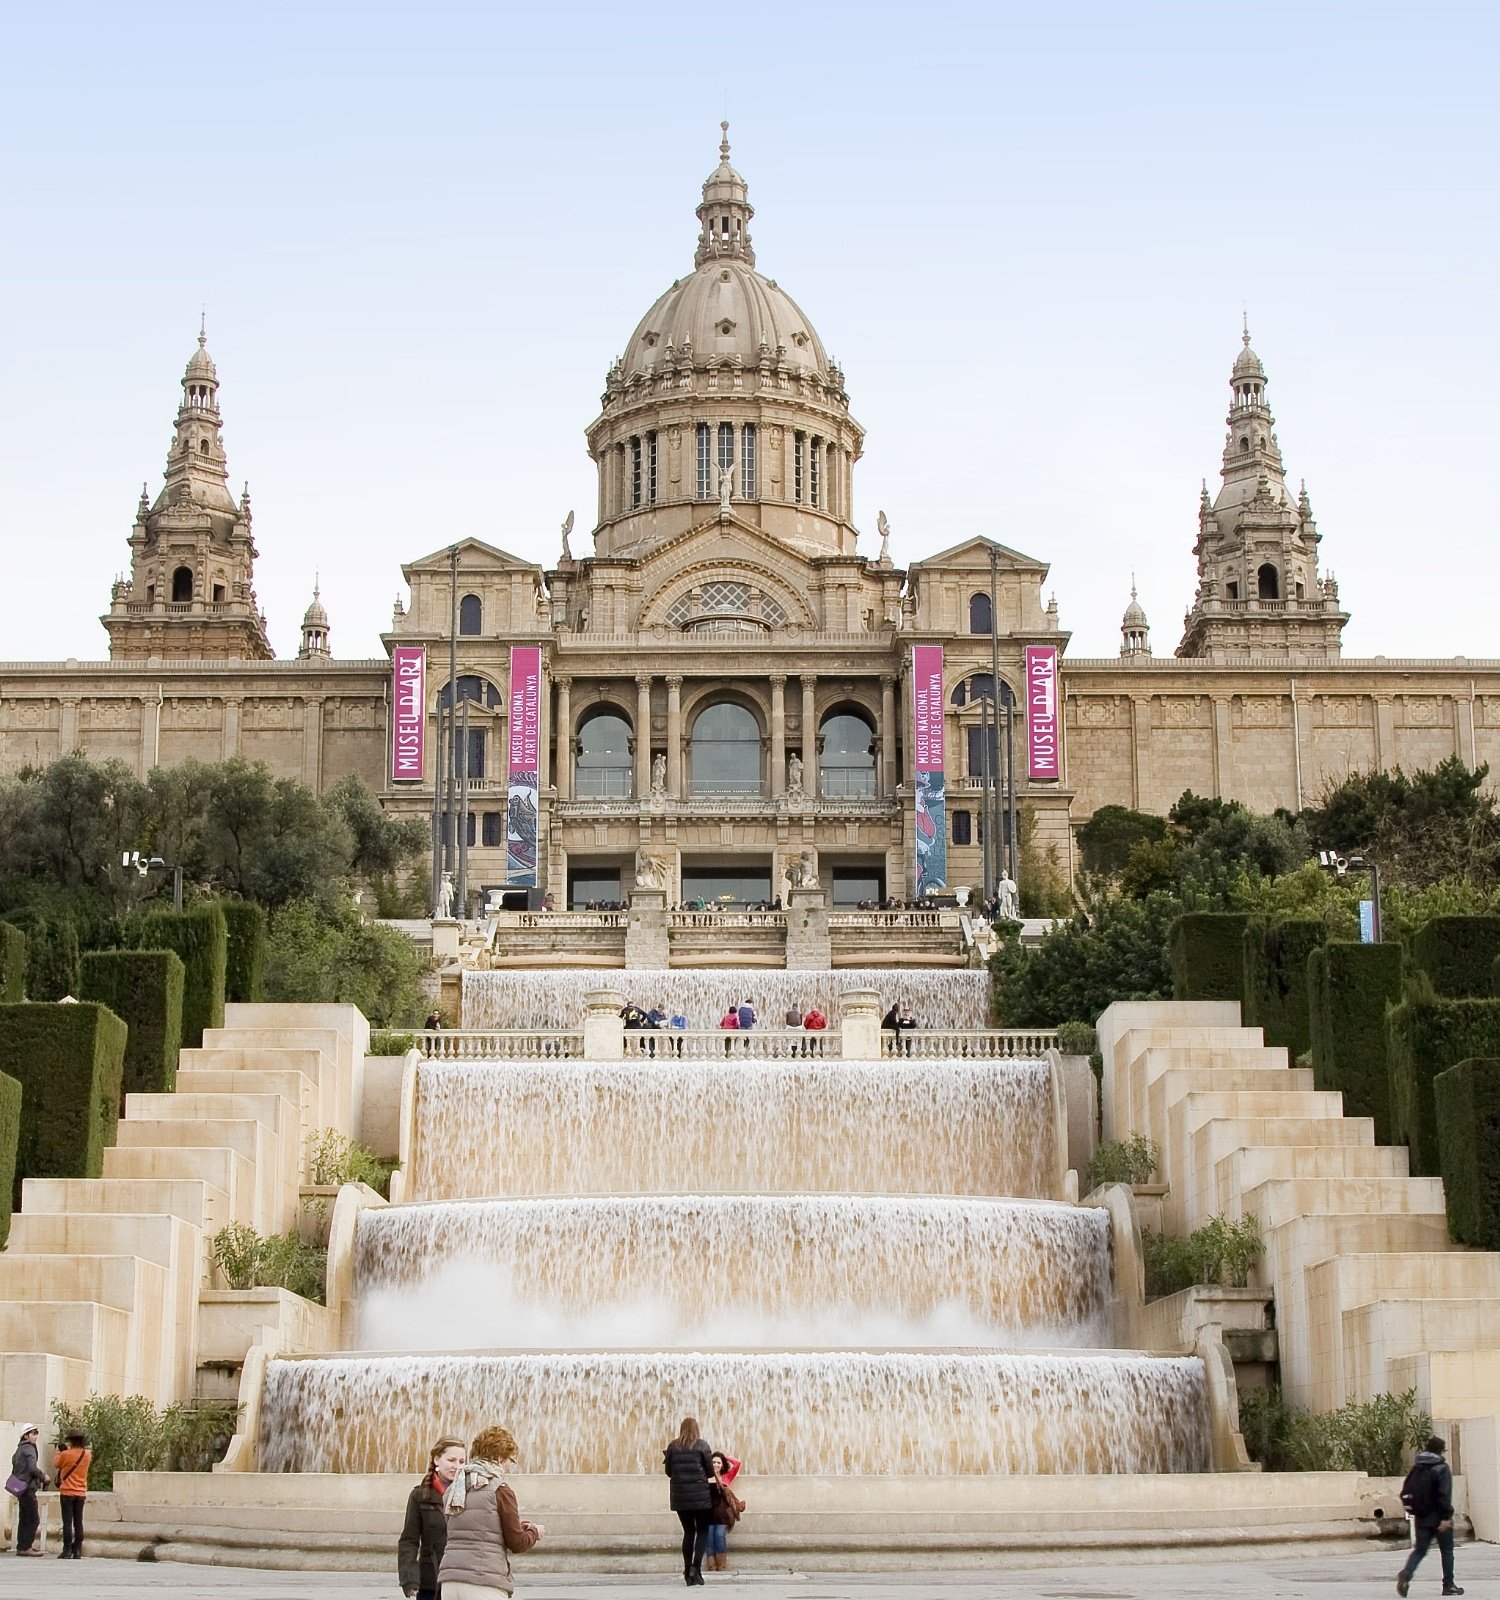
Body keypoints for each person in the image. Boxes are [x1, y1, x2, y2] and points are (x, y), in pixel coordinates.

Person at [437, 1424, 543, 1600]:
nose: (509, 1466)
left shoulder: (454, 1488)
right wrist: (534, 1532)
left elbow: (468, 1530)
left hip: (450, 1583)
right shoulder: (500, 1489)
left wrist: (515, 1526)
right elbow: (517, 1543)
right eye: (510, 1460)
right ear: (500, 1457)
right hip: (484, 1583)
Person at [399, 1434, 466, 1600]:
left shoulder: (470, 1493)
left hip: (462, 1581)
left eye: (462, 1462)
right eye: (451, 1460)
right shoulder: (419, 1496)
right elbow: (409, 1540)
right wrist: (410, 1582)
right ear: (437, 1459)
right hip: (430, 1583)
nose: (457, 1466)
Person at [1397, 1434, 1463, 1596]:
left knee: (1420, 1550)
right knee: (1447, 1550)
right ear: (1441, 1450)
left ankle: (1407, 1573)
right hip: (1439, 1517)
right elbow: (1444, 1495)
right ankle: (1448, 1585)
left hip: (1421, 1516)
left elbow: (1407, 1489)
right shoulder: (1441, 1468)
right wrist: (1446, 1517)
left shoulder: (1417, 1466)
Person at [664, 1416, 715, 1586]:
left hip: (680, 1496)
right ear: (696, 1429)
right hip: (700, 1496)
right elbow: (709, 1472)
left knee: (688, 1532)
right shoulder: (702, 1445)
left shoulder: (673, 1446)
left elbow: (669, 1472)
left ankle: (687, 1572)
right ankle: (696, 1569)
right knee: (702, 1532)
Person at [9, 1423, 47, 1556]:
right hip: (28, 1488)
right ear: (26, 1436)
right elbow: (32, 1468)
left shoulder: (19, 1449)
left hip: (20, 1487)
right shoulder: (29, 1449)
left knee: (24, 1517)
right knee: (33, 1519)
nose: (35, 1436)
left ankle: (22, 1546)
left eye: (36, 1433)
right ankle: (26, 1547)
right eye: (33, 1433)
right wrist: (43, 1477)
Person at [705, 1450, 745, 1572]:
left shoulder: (726, 1477)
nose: (716, 1464)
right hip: (708, 1512)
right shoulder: (704, 1476)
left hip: (723, 1513)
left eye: (718, 1462)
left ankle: (721, 1564)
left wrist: (725, 1457)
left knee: (719, 1536)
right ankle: (711, 1565)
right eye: (713, 1462)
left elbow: (737, 1463)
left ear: (722, 1465)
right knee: (709, 1538)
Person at [53, 1429, 90, 1559]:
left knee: (67, 1522)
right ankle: (78, 1550)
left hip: (67, 1491)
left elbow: (56, 1464)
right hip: (81, 1492)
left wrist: (59, 1451)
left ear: (70, 1441)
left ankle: (67, 1549)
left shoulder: (66, 1454)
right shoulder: (87, 1454)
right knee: (78, 1522)